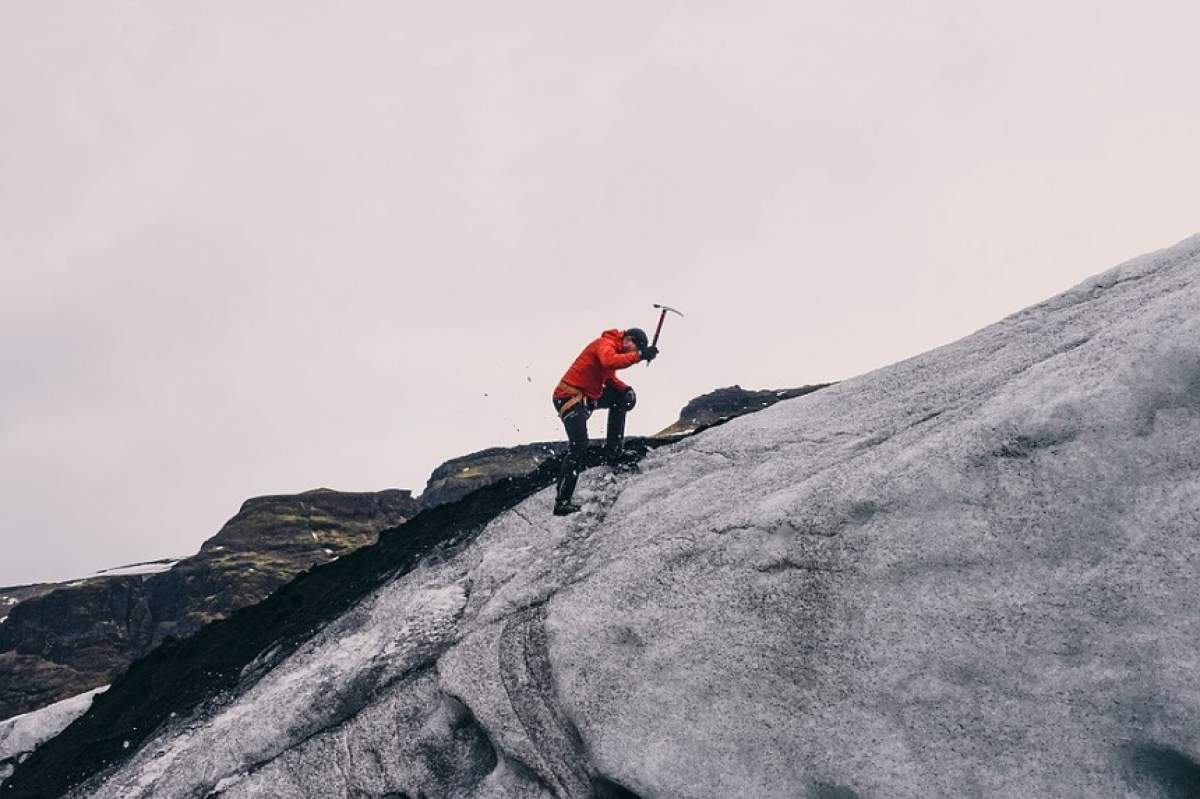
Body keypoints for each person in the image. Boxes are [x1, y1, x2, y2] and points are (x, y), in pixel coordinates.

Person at [551, 327, 658, 516]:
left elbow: (609, 378)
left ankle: (613, 452)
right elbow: (609, 361)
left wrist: (627, 390)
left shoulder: (614, 349)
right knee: (579, 446)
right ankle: (562, 502)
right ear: (628, 340)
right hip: (568, 398)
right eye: (634, 348)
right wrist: (640, 355)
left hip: (586, 398)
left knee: (621, 399)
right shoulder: (605, 344)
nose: (633, 353)